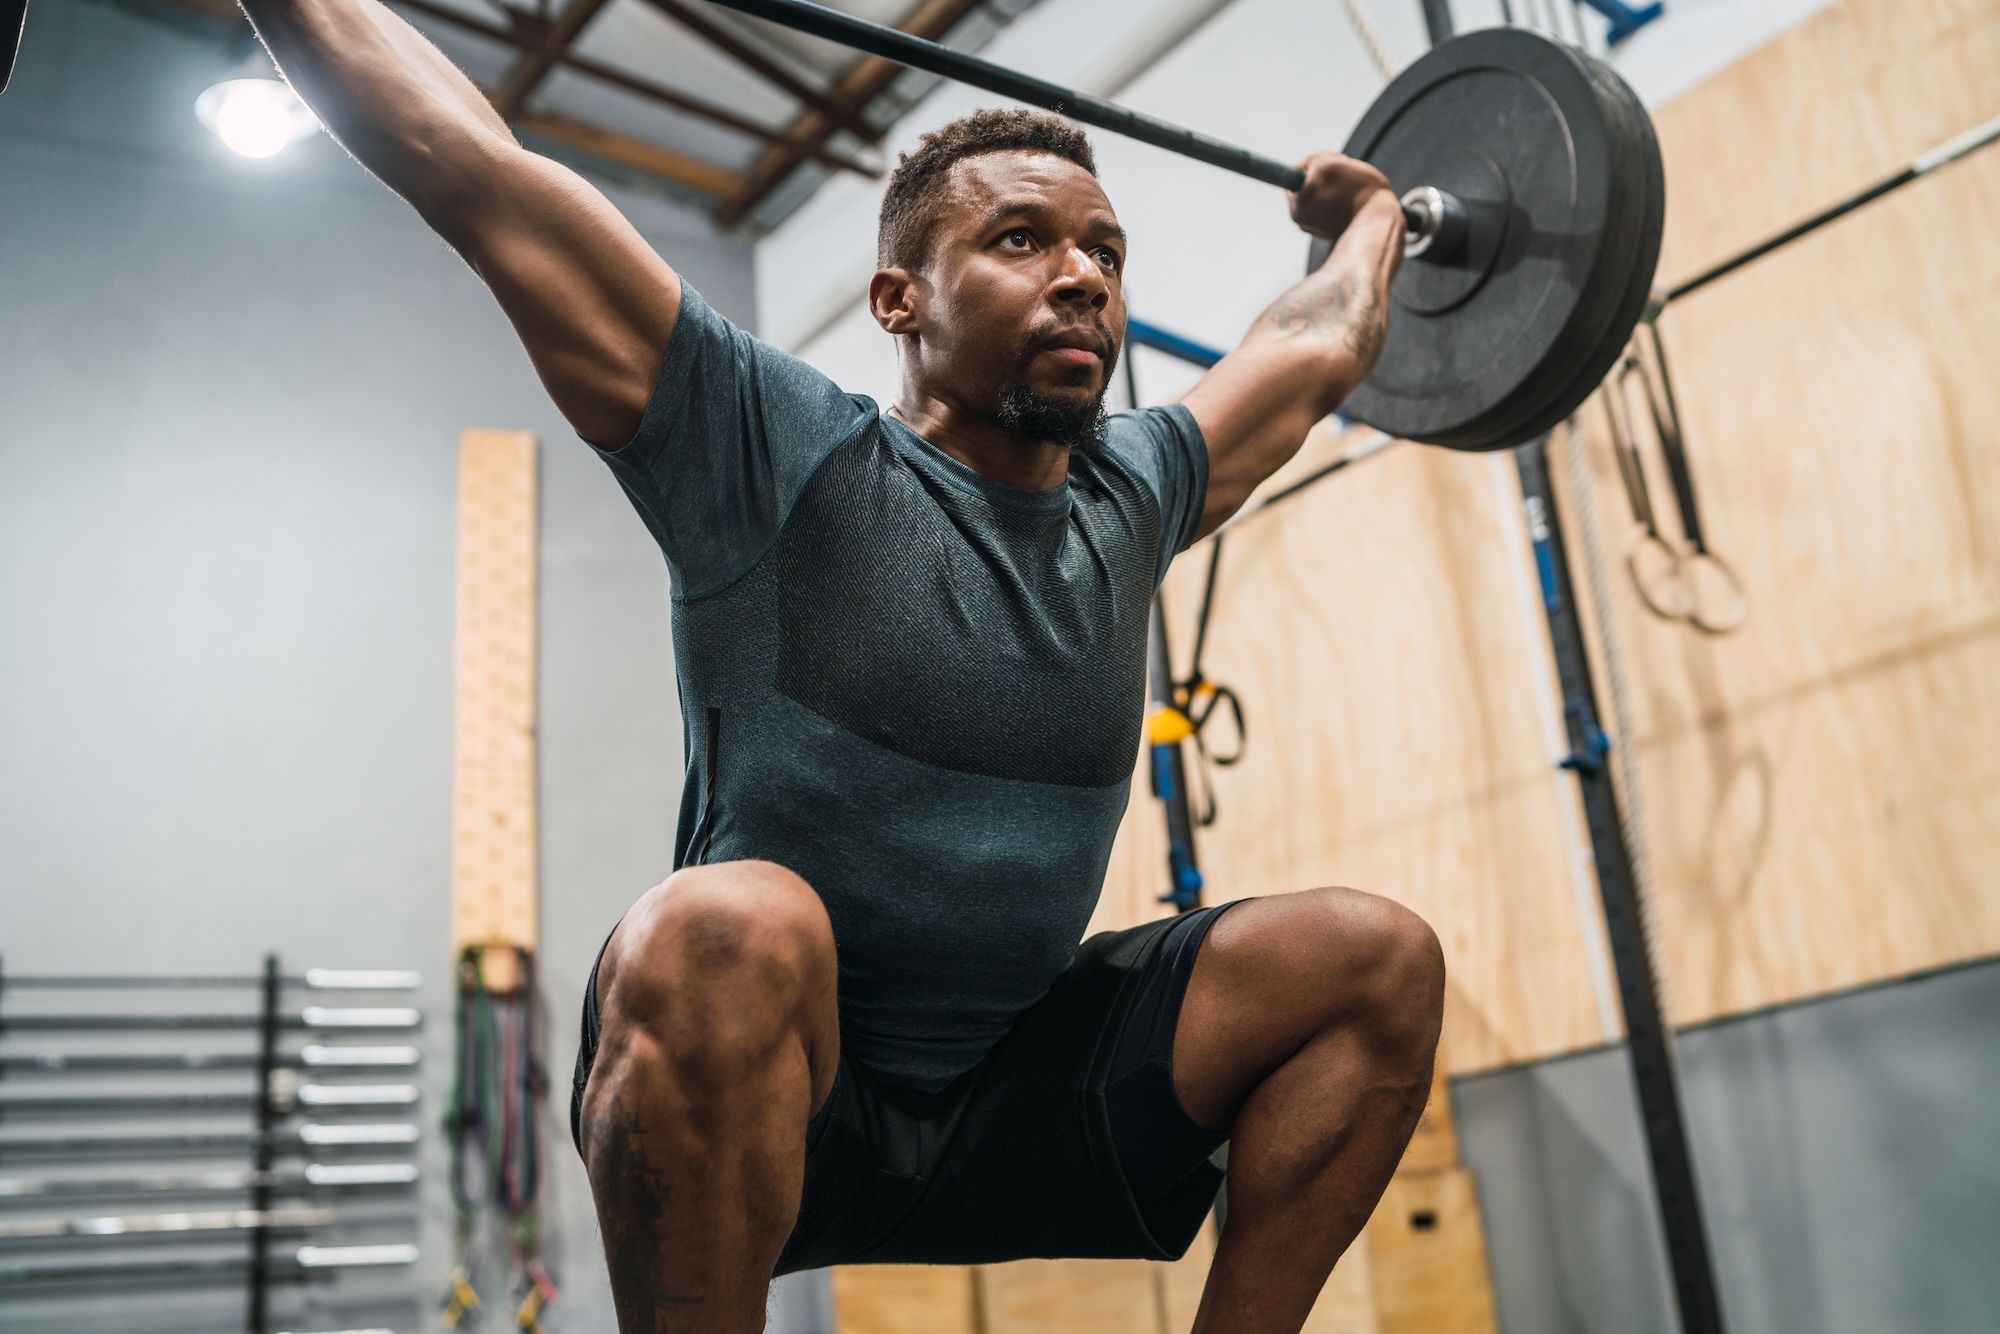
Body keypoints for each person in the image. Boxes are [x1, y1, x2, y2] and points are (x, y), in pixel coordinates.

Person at [242, 0, 1446, 1327]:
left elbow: (1319, 342)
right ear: (898, 299)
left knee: (1373, 959)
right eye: (1021, 238)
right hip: (784, 1097)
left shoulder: (1135, 489)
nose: (1085, 274)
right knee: (720, 926)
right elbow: (465, 163)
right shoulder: (767, 449)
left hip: (1024, 1091)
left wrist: (1379, 214)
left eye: (1105, 248)